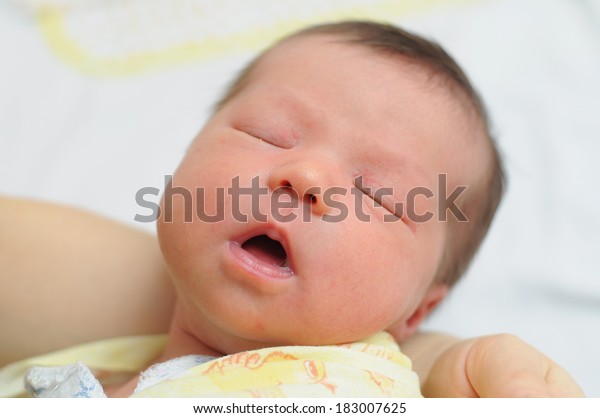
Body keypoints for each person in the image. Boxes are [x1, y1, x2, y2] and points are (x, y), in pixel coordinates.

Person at [0, 21, 584, 397]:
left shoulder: (365, 388)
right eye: (269, 134)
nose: (305, 177)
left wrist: (455, 365)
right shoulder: (85, 364)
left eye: (377, 193)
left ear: (416, 311)